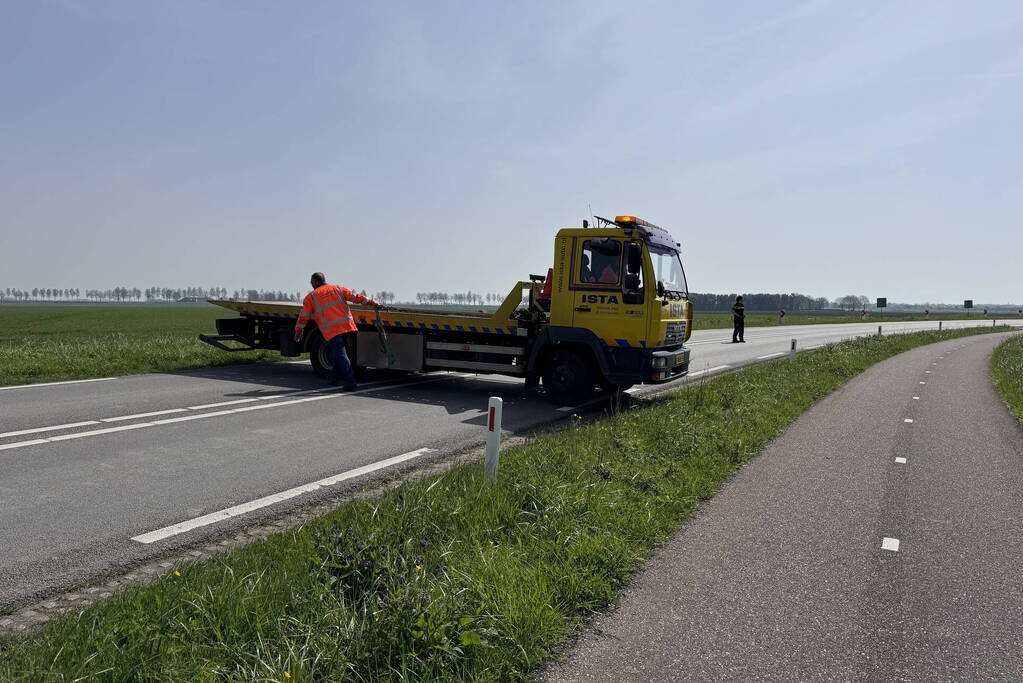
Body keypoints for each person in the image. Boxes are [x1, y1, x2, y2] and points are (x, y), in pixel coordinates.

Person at [294, 272, 378, 390]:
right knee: (337, 353)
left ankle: (351, 382)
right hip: (347, 327)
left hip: (332, 330)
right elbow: (356, 297)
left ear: (316, 282)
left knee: (340, 354)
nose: (311, 284)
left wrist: (298, 331)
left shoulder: (311, 297)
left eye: (311, 282)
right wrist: (373, 302)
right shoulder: (338, 289)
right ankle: (335, 378)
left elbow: (303, 316)